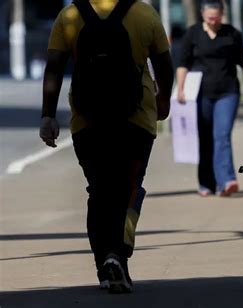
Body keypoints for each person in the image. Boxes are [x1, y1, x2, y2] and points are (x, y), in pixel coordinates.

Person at [39, 0, 174, 294]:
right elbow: (164, 63)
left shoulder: (70, 14)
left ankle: (105, 266)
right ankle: (117, 256)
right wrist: (163, 100)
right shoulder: (143, 12)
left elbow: (54, 67)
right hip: (136, 118)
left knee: (99, 191)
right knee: (128, 188)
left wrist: (48, 115)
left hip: (87, 120)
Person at [176, 0, 243, 197]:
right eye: (209, 18)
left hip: (228, 92)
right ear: (203, 15)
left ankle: (227, 181)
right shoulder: (193, 34)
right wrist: (180, 89)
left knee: (222, 135)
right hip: (200, 94)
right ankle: (206, 183)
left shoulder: (231, 33)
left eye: (217, 17)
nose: (214, 21)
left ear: (223, 14)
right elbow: (183, 64)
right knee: (205, 138)